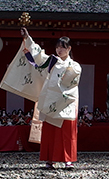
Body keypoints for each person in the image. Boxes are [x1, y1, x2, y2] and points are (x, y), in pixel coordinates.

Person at [19, 28, 82, 169]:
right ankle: (50, 159)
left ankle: (68, 160)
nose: (59, 50)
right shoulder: (52, 61)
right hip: (52, 101)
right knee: (50, 131)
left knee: (66, 132)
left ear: (69, 49)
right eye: (58, 47)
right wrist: (28, 38)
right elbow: (39, 55)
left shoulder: (75, 66)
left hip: (66, 102)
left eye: (63, 47)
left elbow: (70, 82)